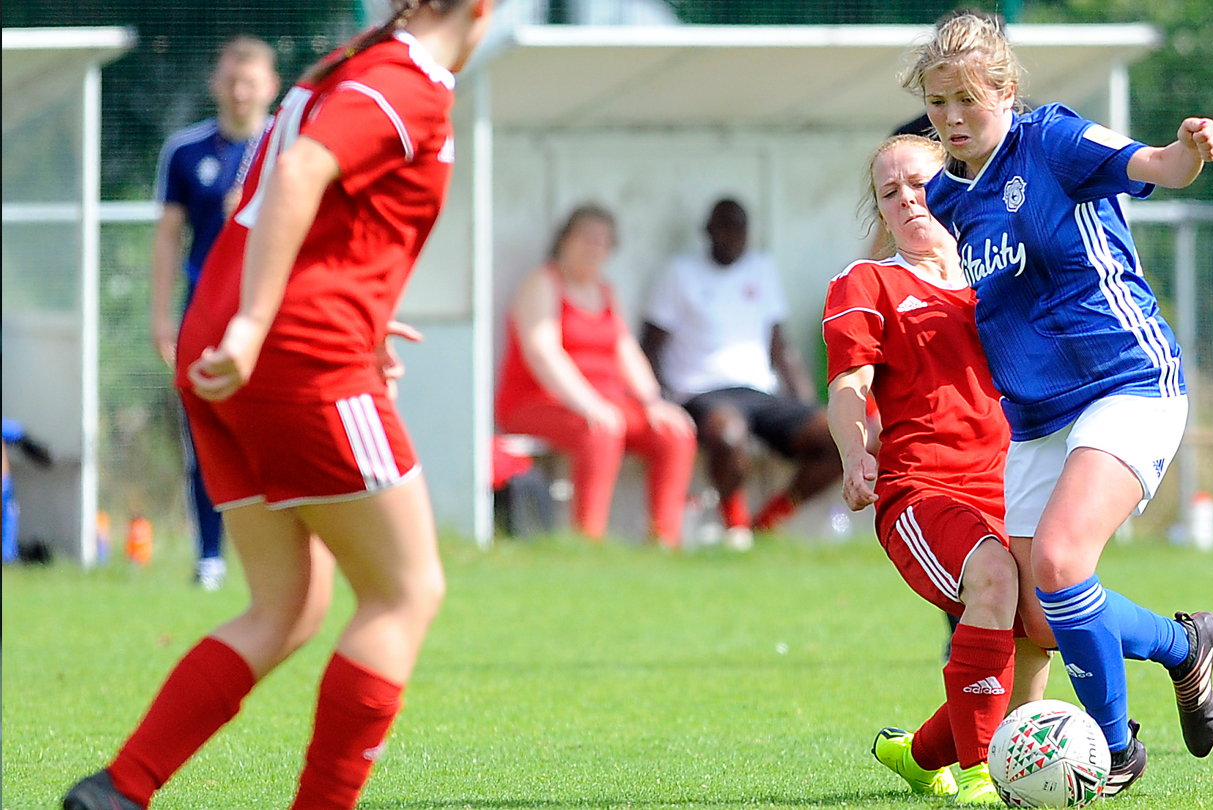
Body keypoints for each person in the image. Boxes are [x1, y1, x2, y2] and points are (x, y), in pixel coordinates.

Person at [62, 2, 496, 808]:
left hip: (223, 342)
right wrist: (275, 321)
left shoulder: (347, 66)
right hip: (290, 352)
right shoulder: (409, 80)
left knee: (289, 603)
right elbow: (297, 178)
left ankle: (119, 789)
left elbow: (263, 208)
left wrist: (338, 308)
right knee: (407, 592)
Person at [906, 13, 1213, 797]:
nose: (949, 118)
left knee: (1056, 565)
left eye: (966, 101)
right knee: (1042, 619)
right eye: (937, 102)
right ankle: (1185, 647)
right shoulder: (948, 202)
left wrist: (1188, 151)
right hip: (1039, 417)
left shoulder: (1050, 141)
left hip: (1128, 381)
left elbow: (1154, 163)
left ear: (1007, 92)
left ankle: (1115, 755)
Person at [826, 135, 1051, 805]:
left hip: (1014, 483)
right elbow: (848, 384)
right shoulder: (868, 282)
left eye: (920, 185)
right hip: (922, 491)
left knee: (1038, 632)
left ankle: (922, 755)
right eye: (890, 192)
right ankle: (984, 774)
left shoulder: (1000, 279)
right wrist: (854, 448)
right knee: (993, 576)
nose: (907, 201)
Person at [151, 35, 281, 590]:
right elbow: (168, 237)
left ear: (270, 86)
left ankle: (287, 552)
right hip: (205, 312)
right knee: (206, 436)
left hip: (272, 311)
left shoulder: (289, 147)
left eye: (250, 80)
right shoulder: (186, 151)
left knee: (276, 435)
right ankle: (210, 555)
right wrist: (161, 318)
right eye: (231, 78)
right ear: (216, 84)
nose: (240, 90)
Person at [640, 199, 842, 550]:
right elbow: (651, 346)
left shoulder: (761, 269)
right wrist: (659, 401)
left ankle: (767, 522)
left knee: (838, 436)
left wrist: (805, 402)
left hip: (758, 390)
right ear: (708, 231)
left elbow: (781, 347)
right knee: (729, 434)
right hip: (701, 391)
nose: (733, 236)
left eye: (740, 228)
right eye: (725, 227)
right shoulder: (680, 273)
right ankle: (736, 529)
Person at [496, 205, 696, 547]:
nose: (594, 247)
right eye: (586, 238)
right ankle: (589, 539)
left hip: (607, 403)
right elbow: (543, 353)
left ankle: (665, 539)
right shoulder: (543, 283)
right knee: (601, 431)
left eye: (603, 241)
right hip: (541, 401)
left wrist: (652, 402)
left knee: (673, 433)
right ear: (564, 240)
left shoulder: (605, 291)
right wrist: (586, 403)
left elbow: (625, 350)